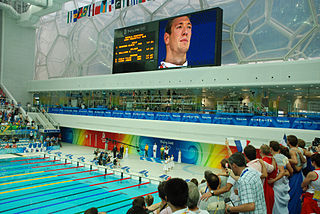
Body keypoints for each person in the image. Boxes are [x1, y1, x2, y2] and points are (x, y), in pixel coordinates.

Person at [269, 141, 292, 214]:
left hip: (276, 184)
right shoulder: (284, 157)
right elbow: (290, 170)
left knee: (276, 206)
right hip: (284, 184)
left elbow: (281, 171)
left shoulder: (273, 159)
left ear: (271, 148)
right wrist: (286, 173)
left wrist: (274, 180)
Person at [287, 135, 306, 214]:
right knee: (297, 196)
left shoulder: (291, 151)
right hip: (299, 175)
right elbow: (304, 160)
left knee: (292, 196)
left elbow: (296, 163)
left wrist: (284, 158)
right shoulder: (300, 150)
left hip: (294, 175)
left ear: (289, 142)